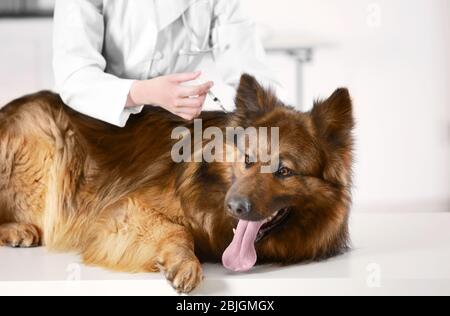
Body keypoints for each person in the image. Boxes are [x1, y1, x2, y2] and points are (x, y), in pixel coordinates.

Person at [53, 0, 278, 127]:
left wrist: (278, 118)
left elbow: (249, 68)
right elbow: (75, 76)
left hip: (172, 127)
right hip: (96, 123)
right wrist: (144, 92)